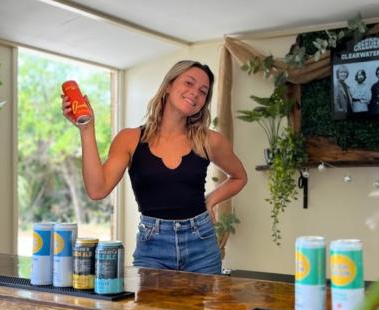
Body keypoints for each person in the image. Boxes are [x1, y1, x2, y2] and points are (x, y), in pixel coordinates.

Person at [62, 60, 248, 274]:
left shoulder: (209, 141)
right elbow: (97, 189)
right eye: (189, 83)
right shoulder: (129, 139)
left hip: (202, 245)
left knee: (203, 309)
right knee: (149, 309)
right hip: (153, 248)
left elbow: (239, 176)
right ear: (168, 85)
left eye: (203, 91)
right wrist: (87, 129)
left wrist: (211, 200)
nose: (195, 93)